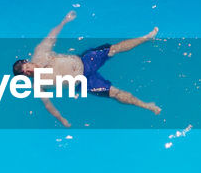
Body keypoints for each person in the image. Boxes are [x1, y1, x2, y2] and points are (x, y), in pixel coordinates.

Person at [13, 10, 161, 127]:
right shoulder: (38, 85)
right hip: (84, 83)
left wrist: (64, 21)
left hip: (85, 61)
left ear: (28, 61)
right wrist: (61, 119)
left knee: (114, 49)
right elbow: (48, 104)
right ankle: (147, 106)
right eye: (26, 73)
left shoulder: (40, 53)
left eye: (28, 67)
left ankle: (146, 38)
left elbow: (51, 36)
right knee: (116, 94)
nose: (30, 71)